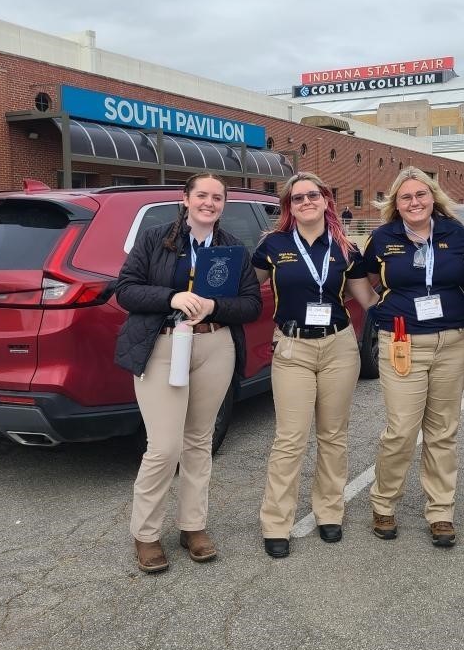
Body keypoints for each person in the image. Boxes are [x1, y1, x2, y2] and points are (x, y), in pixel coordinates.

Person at [114, 171, 262, 573]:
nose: (208, 202)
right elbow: (125, 290)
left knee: (199, 441)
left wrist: (214, 306)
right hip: (163, 345)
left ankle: (192, 526)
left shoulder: (233, 249)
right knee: (164, 447)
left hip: (214, 346)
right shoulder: (155, 239)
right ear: (185, 199)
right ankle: (145, 533)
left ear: (223, 204)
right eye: (201, 195)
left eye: (217, 197)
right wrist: (171, 296)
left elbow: (251, 305)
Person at [252, 172, 376, 559]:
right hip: (292, 348)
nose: (306, 202)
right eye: (297, 198)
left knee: (333, 436)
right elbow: (242, 288)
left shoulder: (345, 248)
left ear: (326, 200)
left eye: (313, 195)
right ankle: (276, 523)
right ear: (289, 206)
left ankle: (329, 512)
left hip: (338, 346)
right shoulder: (272, 246)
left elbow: (368, 299)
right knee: (290, 439)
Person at [362, 167, 464, 548]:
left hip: (452, 341)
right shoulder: (382, 238)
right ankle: (384, 502)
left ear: (433, 198)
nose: (414, 203)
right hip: (403, 341)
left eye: (421, 195)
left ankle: (441, 512)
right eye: (406, 197)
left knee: (443, 431)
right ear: (396, 203)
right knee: (401, 429)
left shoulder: (455, 234)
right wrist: (376, 309)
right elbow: (360, 277)